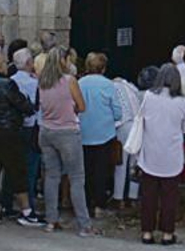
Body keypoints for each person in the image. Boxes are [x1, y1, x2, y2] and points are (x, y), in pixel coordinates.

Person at [36, 47, 93, 237]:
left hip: (46, 130)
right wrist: (71, 108)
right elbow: (82, 106)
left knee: (52, 176)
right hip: (67, 132)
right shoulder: (69, 81)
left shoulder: (42, 81)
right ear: (64, 60)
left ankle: (51, 220)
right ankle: (84, 224)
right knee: (76, 178)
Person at [138, 63, 185, 246]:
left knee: (148, 195)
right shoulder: (182, 102)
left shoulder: (149, 97)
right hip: (171, 153)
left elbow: (141, 119)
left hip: (151, 151)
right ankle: (168, 233)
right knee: (169, 196)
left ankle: (147, 231)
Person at [0, 49, 32, 224]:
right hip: (9, 132)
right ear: (2, 66)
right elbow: (22, 104)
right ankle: (26, 210)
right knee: (17, 170)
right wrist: (28, 104)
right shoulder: (8, 84)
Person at [76, 52, 123, 218]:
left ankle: (86, 203)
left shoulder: (79, 83)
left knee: (86, 170)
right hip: (104, 133)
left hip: (84, 132)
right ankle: (99, 205)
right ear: (103, 68)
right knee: (102, 171)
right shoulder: (108, 85)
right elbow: (118, 112)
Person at [10, 47, 44, 225]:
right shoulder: (34, 83)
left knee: (13, 166)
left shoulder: (11, 81)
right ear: (29, 63)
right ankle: (28, 206)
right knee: (30, 168)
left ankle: (11, 204)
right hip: (32, 128)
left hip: (15, 128)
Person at [109, 69, 143, 208]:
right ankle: (133, 197)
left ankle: (118, 198)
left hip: (123, 125)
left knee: (120, 162)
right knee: (134, 162)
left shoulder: (112, 87)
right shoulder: (132, 88)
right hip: (137, 124)